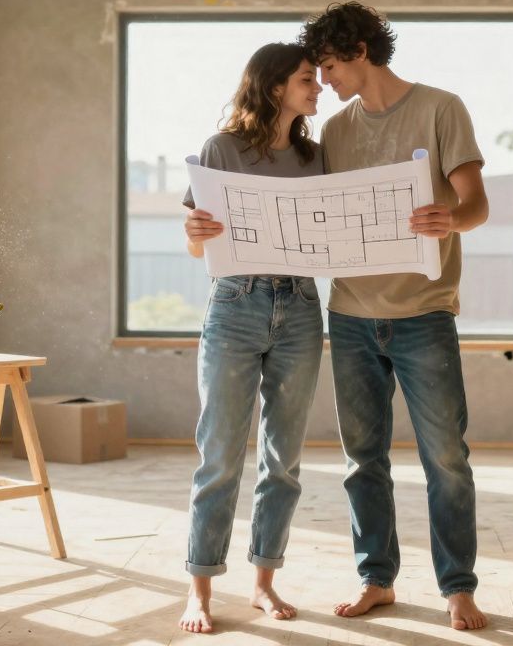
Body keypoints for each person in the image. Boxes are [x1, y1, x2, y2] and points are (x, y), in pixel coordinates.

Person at [298, 2, 490, 631]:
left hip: (424, 313)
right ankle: (376, 578)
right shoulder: (335, 132)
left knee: (445, 458)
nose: (324, 80)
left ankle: (457, 587)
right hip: (349, 315)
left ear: (358, 49)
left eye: (328, 66)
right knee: (363, 459)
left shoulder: (441, 108)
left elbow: (476, 204)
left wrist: (451, 219)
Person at [177, 42, 325, 634]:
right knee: (219, 457)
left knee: (283, 460)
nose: (318, 90)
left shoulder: (317, 157)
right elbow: (198, 247)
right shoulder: (221, 150)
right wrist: (193, 230)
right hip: (235, 304)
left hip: (302, 305)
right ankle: (200, 590)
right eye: (307, 80)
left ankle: (264, 582)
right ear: (273, 88)